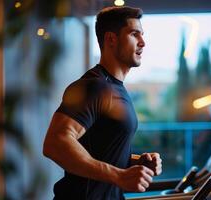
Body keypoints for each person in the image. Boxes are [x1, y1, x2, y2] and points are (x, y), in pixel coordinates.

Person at [43, 6, 162, 200]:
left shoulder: (115, 87)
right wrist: (119, 175)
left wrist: (136, 162)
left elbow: (100, 152)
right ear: (111, 39)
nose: (143, 42)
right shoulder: (95, 87)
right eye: (134, 34)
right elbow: (55, 143)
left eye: (142, 35)